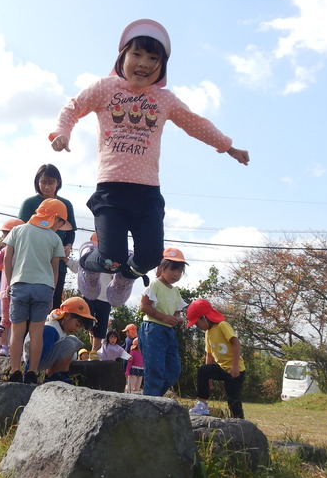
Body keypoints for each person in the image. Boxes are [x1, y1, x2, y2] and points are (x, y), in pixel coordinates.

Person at [50, 19, 250, 306]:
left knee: (151, 256)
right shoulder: (105, 88)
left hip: (147, 193)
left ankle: (125, 277)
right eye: (137, 55)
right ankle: (87, 262)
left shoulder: (163, 99)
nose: (143, 63)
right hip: (112, 190)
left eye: (153, 58)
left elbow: (195, 123)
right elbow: (73, 107)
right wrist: (61, 132)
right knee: (111, 257)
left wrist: (228, 146)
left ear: (162, 66)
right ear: (122, 57)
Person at [3, 198, 70, 384]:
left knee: (17, 331)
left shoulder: (17, 230)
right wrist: (52, 292)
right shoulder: (54, 238)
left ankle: (15, 370)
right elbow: (54, 269)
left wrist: (9, 283)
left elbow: (8, 259)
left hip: (20, 284)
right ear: (54, 217)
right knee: (37, 332)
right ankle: (31, 371)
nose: (59, 227)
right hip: (44, 287)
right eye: (60, 222)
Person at [18, 164, 77, 310]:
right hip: (31, 262)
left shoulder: (66, 204)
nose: (47, 187)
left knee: (52, 305)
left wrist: (68, 246)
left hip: (58, 262)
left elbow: (71, 231)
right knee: (26, 306)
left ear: (58, 183)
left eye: (51, 183)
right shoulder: (29, 203)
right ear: (37, 182)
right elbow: (19, 230)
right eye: (43, 182)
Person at [138, 248, 189, 397]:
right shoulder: (155, 284)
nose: (176, 274)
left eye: (180, 271)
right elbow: (144, 306)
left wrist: (177, 318)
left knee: (173, 370)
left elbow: (177, 310)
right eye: (173, 269)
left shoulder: (175, 291)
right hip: (153, 329)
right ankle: (150, 401)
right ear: (161, 267)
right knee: (155, 369)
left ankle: (155, 397)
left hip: (168, 331)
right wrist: (163, 317)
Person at [185, 299, 246, 419]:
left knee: (233, 400)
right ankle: (202, 404)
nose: (197, 327)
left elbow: (236, 343)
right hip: (221, 368)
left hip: (234, 370)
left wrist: (234, 367)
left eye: (197, 323)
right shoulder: (208, 333)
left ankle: (239, 423)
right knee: (203, 370)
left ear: (204, 317)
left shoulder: (222, 325)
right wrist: (209, 380)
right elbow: (209, 355)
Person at [24, 296, 96, 384]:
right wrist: (29, 371)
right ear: (66, 316)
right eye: (77, 325)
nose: (77, 329)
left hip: (39, 359)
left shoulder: (59, 325)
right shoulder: (51, 329)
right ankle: (54, 375)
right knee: (69, 344)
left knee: (73, 342)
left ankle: (59, 373)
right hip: (35, 360)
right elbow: (41, 349)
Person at [66, 232, 114, 355]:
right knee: (87, 322)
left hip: (105, 298)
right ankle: (90, 333)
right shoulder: (88, 256)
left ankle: (94, 353)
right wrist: (64, 259)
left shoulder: (112, 259)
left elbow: (118, 278)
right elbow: (77, 266)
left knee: (101, 327)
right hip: (89, 296)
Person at [0, 218, 24, 358]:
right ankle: (3, 346)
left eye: (5, 234)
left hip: (19, 288)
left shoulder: (23, 250)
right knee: (6, 319)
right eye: (3, 234)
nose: (3, 237)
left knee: (18, 320)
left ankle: (13, 346)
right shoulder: (4, 250)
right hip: (6, 290)